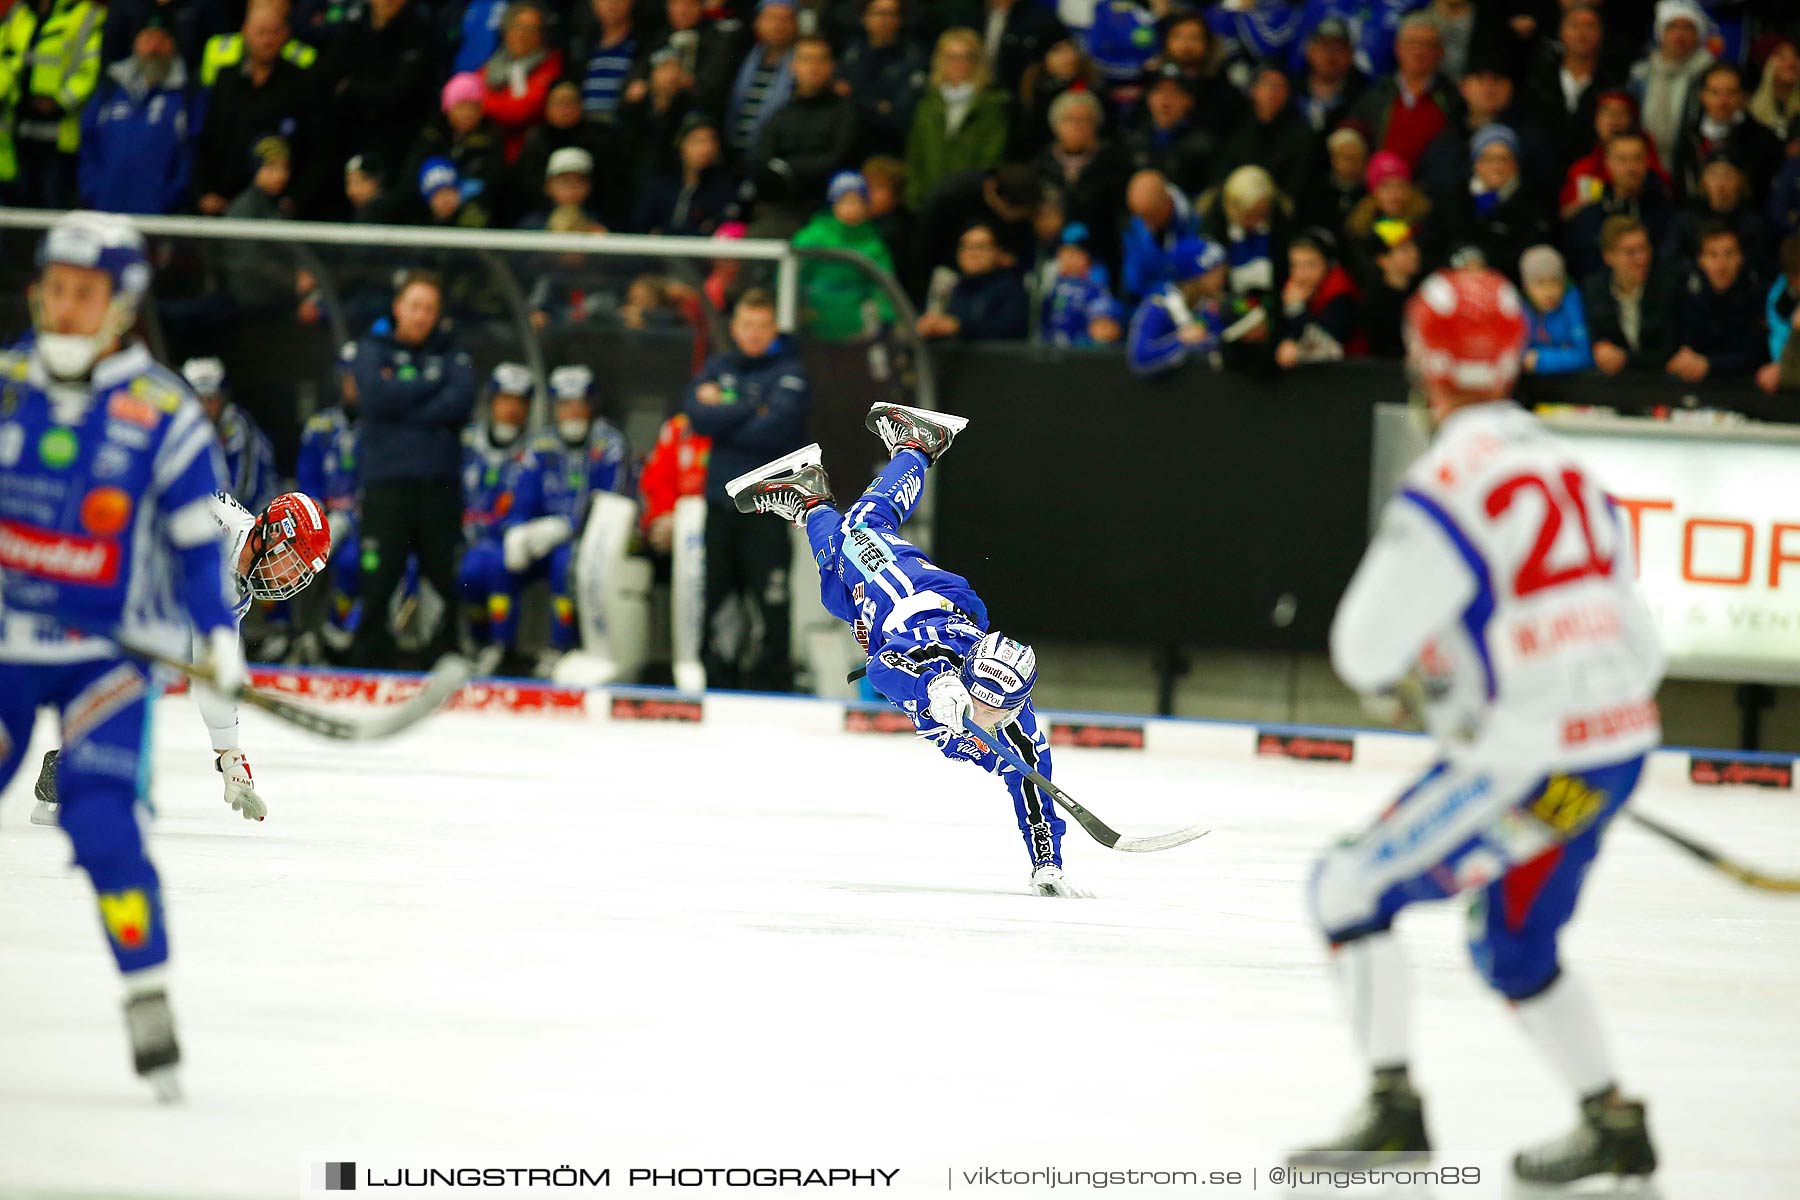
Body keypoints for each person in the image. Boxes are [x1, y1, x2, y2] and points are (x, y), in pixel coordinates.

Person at [1293, 267, 1664, 1188]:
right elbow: (1641, 643)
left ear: (1424, 362)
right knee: (1515, 942)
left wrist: (1442, 689)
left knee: (1346, 888)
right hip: (1611, 755)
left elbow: (1363, 648)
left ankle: (1393, 1115)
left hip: (1532, 761)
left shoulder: (1446, 479)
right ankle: (1613, 1123)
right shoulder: (1571, 465)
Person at [0, 212, 244, 1100]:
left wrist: (217, 636)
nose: (63, 309)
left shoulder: (165, 413)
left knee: (102, 822)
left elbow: (192, 545)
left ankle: (146, 992)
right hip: (7, 646)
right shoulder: (6, 384)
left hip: (107, 658)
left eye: (84, 294)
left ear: (122, 307)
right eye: (54, 290)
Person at [725, 404, 1071, 896]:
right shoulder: (940, 657)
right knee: (861, 532)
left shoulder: (1018, 732)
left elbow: (1034, 790)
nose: (987, 711)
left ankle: (810, 499)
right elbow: (884, 668)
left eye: (1001, 706)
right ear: (967, 675)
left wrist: (1047, 864)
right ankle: (917, 444)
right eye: (983, 697)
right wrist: (935, 682)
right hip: (905, 595)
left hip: (889, 617)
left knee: (837, 589)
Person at [31, 488, 332, 826]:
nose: (290, 580)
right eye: (292, 564)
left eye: (299, 575)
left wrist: (229, 754)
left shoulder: (236, 592)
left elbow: (213, 669)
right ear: (274, 534)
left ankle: (72, 772)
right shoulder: (214, 517)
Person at [680, 289, 810, 691]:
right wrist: (750, 406)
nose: (754, 334)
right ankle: (717, 677)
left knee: (770, 597)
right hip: (720, 504)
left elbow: (774, 430)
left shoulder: (792, 372)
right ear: (735, 328)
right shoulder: (719, 365)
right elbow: (697, 416)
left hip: (769, 507)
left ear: (774, 328)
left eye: (762, 325)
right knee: (717, 595)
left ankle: (771, 679)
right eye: (746, 325)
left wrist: (726, 409)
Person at [348, 270, 477, 669]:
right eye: (415, 307)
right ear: (398, 308)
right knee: (379, 572)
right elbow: (373, 396)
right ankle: (368, 654)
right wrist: (429, 385)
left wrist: (399, 401)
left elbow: (460, 401)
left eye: (430, 309)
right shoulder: (371, 349)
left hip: (439, 485)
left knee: (444, 572)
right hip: (386, 484)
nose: (422, 316)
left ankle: (445, 652)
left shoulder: (454, 353)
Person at [497, 364, 632, 672]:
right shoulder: (540, 445)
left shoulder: (609, 444)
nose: (572, 412)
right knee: (493, 561)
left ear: (591, 405)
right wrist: (517, 530)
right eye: (565, 404)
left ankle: (562, 645)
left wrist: (566, 527)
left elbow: (610, 504)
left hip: (592, 541)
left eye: (579, 404)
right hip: (541, 539)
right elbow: (522, 497)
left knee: (565, 563)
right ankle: (497, 647)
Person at [77, 16, 205, 215]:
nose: (154, 48)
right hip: (105, 213)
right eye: (147, 39)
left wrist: (168, 199)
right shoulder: (109, 89)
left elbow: (193, 154)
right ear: (135, 44)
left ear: (173, 46)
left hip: (161, 218)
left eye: (162, 40)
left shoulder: (188, 95)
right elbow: (88, 144)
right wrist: (93, 191)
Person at [457, 363, 534, 662]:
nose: (511, 409)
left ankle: (502, 647)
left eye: (519, 401)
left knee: (493, 565)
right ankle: (474, 641)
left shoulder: (535, 450)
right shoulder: (466, 442)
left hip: (511, 540)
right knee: (468, 570)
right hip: (462, 535)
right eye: (504, 399)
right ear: (491, 401)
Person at [0, 0, 106, 207]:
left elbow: (90, 70)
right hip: (16, 132)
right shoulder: (19, 14)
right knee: (18, 209)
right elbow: (6, 56)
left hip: (59, 135)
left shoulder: (86, 15)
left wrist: (59, 103)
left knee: (51, 204)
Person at [748, 35, 859, 230]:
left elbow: (836, 160)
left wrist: (785, 167)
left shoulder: (847, 113)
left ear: (832, 66)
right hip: (781, 209)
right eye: (806, 59)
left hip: (831, 211)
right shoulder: (780, 114)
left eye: (821, 59)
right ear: (793, 65)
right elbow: (761, 161)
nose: (813, 67)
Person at [296, 342, 363, 654]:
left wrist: (351, 518)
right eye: (350, 378)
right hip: (320, 519)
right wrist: (317, 514)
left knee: (353, 561)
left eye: (362, 377)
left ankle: (340, 630)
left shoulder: (380, 429)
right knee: (295, 552)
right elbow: (307, 478)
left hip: (364, 525)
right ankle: (297, 633)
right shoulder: (320, 427)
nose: (355, 385)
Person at [904, 28, 1009, 210]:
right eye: (951, 57)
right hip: (927, 200)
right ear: (940, 60)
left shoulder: (991, 105)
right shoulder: (928, 104)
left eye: (966, 57)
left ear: (977, 62)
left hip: (970, 202)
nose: (958, 64)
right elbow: (915, 154)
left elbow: (991, 159)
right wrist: (915, 196)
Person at [793, 170, 897, 341]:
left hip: (857, 328)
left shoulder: (873, 244)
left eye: (857, 202)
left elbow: (883, 286)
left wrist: (883, 316)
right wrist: (798, 306)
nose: (851, 208)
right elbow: (794, 274)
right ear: (833, 204)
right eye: (845, 201)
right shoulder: (812, 237)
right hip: (813, 322)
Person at [1666, 223, 1766, 382]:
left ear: (1740, 258)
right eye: (1713, 255)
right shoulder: (1686, 296)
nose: (1721, 264)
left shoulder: (1756, 296)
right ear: (1701, 260)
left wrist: (1709, 364)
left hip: (1743, 386)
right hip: (1694, 384)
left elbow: (1756, 356)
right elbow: (1676, 346)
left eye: (1729, 254)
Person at [181, 357, 277, 512]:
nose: (205, 407)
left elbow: (244, 489)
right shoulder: (183, 428)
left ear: (222, 397)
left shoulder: (237, 425)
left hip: (258, 514)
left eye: (211, 399)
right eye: (199, 399)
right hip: (216, 513)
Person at [1126, 235, 1230, 378]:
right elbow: (1139, 360)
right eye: (1213, 271)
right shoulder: (1159, 305)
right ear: (1194, 276)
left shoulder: (1212, 305)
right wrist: (1180, 342)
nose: (1222, 275)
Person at [1582, 215, 1671, 376]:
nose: (1641, 259)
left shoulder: (1667, 286)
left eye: (1644, 248)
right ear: (1608, 257)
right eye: (1630, 252)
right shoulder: (1595, 290)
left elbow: (1672, 351)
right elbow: (1595, 340)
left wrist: (1626, 358)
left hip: (1663, 383)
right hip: (1617, 386)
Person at [1628, 0, 1713, 168]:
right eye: (1672, 27)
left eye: (1687, 28)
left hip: (1690, 165)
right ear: (1660, 32)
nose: (1679, 35)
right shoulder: (1641, 74)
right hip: (1645, 164)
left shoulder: (1708, 75)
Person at [839, 0, 926, 158]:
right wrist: (877, 106)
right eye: (878, 13)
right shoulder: (850, 54)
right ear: (864, 18)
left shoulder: (912, 58)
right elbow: (841, 103)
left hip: (893, 148)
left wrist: (858, 100)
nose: (884, 20)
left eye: (891, 14)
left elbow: (900, 115)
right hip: (850, 146)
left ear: (900, 20)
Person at [916, 221, 1028, 341]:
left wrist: (960, 327)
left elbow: (1011, 328)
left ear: (997, 252)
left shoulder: (1010, 288)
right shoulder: (954, 287)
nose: (972, 253)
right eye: (965, 246)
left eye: (980, 247)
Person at [480, 0, 562, 164]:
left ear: (541, 34)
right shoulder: (492, 64)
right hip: (489, 151)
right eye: (517, 27)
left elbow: (522, 112)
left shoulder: (551, 64)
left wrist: (485, 107)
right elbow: (468, 99)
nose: (522, 35)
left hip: (530, 155)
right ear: (506, 31)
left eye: (531, 29)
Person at [1274, 232, 1362, 368]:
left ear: (1327, 264)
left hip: (1350, 372)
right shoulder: (1292, 288)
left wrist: (1296, 309)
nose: (1301, 274)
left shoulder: (1341, 292)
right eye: (1295, 265)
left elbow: (1328, 346)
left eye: (1310, 265)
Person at [1039, 222, 1122, 347]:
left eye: (1073, 253)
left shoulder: (1095, 288)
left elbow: (1105, 329)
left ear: (1087, 257)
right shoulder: (1053, 285)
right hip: (1051, 353)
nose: (1066, 258)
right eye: (1063, 253)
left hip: (1080, 357)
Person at [1519, 244, 1592, 375]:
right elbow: (1516, 355)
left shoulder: (1573, 303)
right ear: (1526, 286)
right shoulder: (1522, 310)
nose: (1549, 292)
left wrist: (1540, 359)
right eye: (1540, 283)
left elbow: (1585, 355)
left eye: (1555, 281)